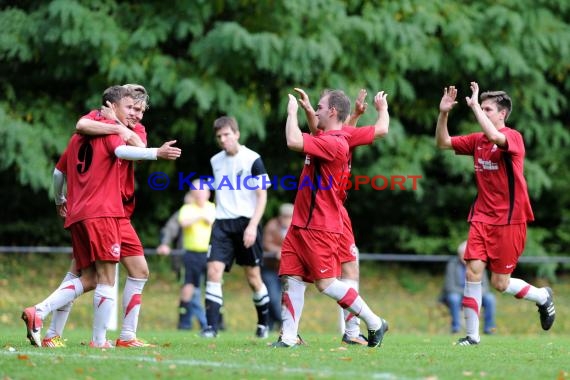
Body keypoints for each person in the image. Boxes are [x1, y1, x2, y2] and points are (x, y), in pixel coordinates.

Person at [22, 85, 181, 348]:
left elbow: (58, 173)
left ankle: (60, 334)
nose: (137, 113)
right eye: (131, 107)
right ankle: (84, 334)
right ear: (112, 104)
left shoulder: (86, 134)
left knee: (129, 271)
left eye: (140, 109)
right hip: (104, 211)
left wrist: (60, 199)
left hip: (93, 212)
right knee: (101, 277)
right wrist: (153, 151)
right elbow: (121, 149)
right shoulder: (101, 127)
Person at [435, 82, 555, 346]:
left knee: (500, 284)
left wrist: (475, 105)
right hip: (481, 217)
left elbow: (494, 136)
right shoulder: (477, 140)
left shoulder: (513, 138)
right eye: (482, 108)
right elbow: (443, 142)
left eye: (489, 109)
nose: (483, 112)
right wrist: (443, 113)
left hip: (510, 221)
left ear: (502, 114)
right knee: (472, 271)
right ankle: (472, 337)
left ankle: (542, 296)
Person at [273, 89, 388, 348]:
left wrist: (292, 112)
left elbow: (293, 141)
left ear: (333, 112)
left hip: (321, 225)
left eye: (319, 107)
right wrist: (305, 110)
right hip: (301, 222)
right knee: (292, 277)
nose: (316, 110)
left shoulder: (335, 142)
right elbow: (315, 132)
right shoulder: (330, 137)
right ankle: (289, 338)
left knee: (325, 284)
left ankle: (374, 322)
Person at [201, 116, 271, 339]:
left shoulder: (253, 159)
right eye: (219, 136)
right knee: (213, 271)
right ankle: (211, 327)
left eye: (227, 135)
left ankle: (264, 322)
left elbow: (262, 197)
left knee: (253, 278)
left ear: (237, 134)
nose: (223, 140)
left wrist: (252, 226)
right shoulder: (215, 161)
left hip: (247, 223)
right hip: (222, 223)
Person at [157, 182, 215, 331]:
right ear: (192, 194)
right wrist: (164, 243)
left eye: (203, 192)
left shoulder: (213, 208)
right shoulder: (187, 208)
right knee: (188, 289)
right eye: (197, 192)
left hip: (210, 254)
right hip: (189, 254)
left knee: (213, 288)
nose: (200, 194)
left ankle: (215, 323)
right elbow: (176, 226)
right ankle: (185, 324)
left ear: (208, 193)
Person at [441, 241, 496, 334]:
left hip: (476, 293)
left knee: (490, 298)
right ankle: (455, 328)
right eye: (463, 253)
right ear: (459, 254)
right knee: (453, 298)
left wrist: (475, 293)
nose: (466, 256)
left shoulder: (479, 264)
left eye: (468, 253)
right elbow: (449, 287)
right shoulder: (452, 265)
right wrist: (468, 293)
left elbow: (486, 287)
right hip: (458, 294)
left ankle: (489, 328)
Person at [261, 203, 294, 331]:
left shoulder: (296, 227)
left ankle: (274, 325)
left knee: (285, 298)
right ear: (280, 217)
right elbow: (266, 243)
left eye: (289, 217)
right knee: (273, 297)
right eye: (284, 216)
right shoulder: (272, 225)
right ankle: (282, 322)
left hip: (287, 269)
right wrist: (278, 251)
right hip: (270, 268)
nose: (287, 219)